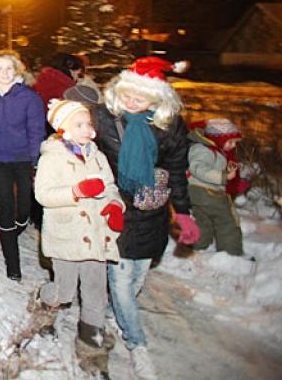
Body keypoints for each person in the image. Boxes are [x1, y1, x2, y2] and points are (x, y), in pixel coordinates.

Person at [93, 57, 198, 380]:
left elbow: (178, 171)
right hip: (115, 210)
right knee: (122, 283)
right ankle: (137, 343)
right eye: (127, 94)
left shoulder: (171, 127)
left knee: (137, 279)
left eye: (141, 97)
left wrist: (183, 212)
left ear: (158, 99)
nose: (132, 101)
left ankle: (115, 314)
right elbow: (77, 143)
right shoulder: (105, 119)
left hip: (152, 210)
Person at [35, 99, 122, 376]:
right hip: (67, 237)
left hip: (97, 236)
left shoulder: (98, 156)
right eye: (79, 124)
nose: (87, 129)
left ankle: (91, 347)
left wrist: (114, 204)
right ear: (63, 129)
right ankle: (44, 304)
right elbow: (43, 194)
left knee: (96, 293)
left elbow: (110, 186)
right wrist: (76, 191)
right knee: (65, 291)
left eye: (88, 124)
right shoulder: (52, 157)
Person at [0, 50, 45, 281]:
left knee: (24, 207)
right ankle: (12, 265)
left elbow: (37, 131)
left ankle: (18, 225)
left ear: (16, 70)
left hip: (23, 159)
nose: (5, 73)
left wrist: (36, 160)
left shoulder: (29, 97)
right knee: (5, 207)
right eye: (0, 68)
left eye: (9, 68)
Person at [187, 119, 245, 257]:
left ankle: (199, 245)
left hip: (199, 193)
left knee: (203, 221)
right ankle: (231, 253)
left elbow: (210, 165)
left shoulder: (212, 150)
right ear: (217, 139)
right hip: (208, 192)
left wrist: (227, 168)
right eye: (230, 142)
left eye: (235, 143)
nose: (233, 146)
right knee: (226, 221)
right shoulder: (203, 150)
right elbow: (198, 168)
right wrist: (223, 176)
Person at [32, 53, 83, 117]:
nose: (77, 78)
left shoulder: (42, 79)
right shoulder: (65, 88)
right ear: (70, 69)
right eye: (77, 74)